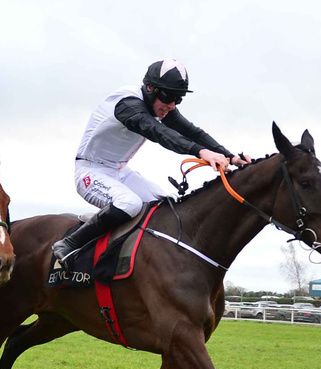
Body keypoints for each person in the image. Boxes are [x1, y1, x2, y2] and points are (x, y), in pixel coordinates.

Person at [52, 59, 252, 265]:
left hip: (119, 171)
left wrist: (231, 157)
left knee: (169, 203)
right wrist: (201, 152)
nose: (172, 105)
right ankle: (69, 244)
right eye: (168, 96)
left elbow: (193, 132)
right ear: (149, 88)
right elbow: (159, 132)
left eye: (178, 98)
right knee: (129, 204)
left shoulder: (160, 105)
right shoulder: (127, 104)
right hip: (90, 171)